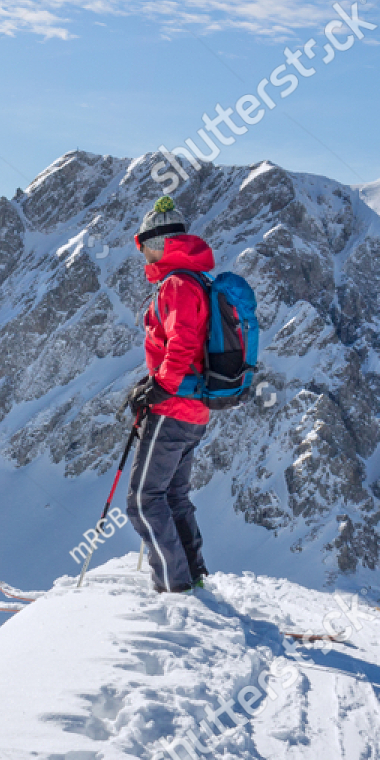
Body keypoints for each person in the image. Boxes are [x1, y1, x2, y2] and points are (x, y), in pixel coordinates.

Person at [123, 196, 214, 594]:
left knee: (143, 500)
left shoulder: (177, 284)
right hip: (194, 409)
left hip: (173, 407)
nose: (142, 253)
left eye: (143, 244)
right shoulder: (195, 280)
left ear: (160, 242)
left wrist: (157, 388)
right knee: (174, 496)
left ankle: (174, 587)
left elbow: (182, 343)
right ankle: (193, 574)